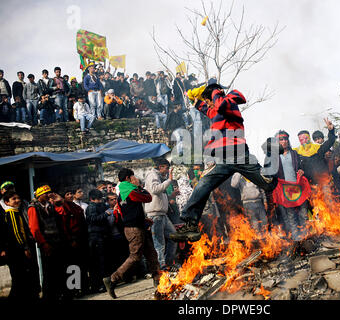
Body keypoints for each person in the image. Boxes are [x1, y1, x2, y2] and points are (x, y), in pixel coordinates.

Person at [169, 83, 278, 242]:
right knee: (202, 186)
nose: (209, 104)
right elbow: (207, 110)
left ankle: (272, 153)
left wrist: (213, 90)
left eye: (209, 100)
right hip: (222, 158)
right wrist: (193, 98)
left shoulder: (229, 102)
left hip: (238, 152)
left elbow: (221, 104)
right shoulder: (217, 110)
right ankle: (191, 224)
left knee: (268, 183)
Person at [103, 168, 161, 299]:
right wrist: (140, 186)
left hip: (136, 226)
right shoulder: (132, 191)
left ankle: (158, 280)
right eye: (133, 177)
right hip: (134, 229)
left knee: (152, 254)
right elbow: (148, 197)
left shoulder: (122, 192)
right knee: (135, 256)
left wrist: (143, 219)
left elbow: (125, 212)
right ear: (129, 178)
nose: (135, 179)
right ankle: (112, 279)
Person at [27, 185, 70, 300]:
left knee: (60, 269)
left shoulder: (50, 206)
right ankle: (49, 296)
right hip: (46, 242)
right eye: (46, 193)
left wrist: (59, 202)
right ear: (40, 195)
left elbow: (61, 217)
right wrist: (43, 243)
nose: (48, 195)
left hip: (57, 241)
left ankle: (61, 293)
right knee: (49, 271)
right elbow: (34, 229)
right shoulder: (33, 208)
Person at [0, 191, 41, 299]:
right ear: (6, 202)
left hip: (16, 250)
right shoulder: (12, 213)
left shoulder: (15, 212)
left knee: (21, 278)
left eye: (18, 198)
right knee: (19, 278)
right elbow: (17, 233)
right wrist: (25, 248)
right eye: (13, 199)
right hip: (16, 251)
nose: (17, 200)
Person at [144, 159, 177, 269]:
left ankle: (168, 262)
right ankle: (161, 267)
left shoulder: (159, 177)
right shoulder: (152, 175)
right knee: (159, 243)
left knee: (174, 237)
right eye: (167, 168)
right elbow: (154, 190)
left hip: (162, 214)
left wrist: (172, 195)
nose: (167, 171)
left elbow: (160, 195)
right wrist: (169, 180)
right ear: (161, 167)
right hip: (155, 215)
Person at [61, 190, 89, 296]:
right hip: (71, 240)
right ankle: (74, 289)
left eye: (71, 194)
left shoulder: (77, 207)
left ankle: (84, 287)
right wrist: (70, 240)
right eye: (67, 194)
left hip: (81, 238)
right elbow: (64, 226)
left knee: (82, 264)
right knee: (73, 266)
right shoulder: (64, 208)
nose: (70, 196)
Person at [85, 189, 110, 293]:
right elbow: (92, 219)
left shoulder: (99, 205)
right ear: (92, 199)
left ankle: (102, 284)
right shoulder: (91, 207)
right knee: (97, 262)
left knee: (102, 261)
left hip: (101, 235)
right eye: (98, 199)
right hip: (95, 237)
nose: (100, 201)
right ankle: (99, 285)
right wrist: (106, 214)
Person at [105, 192, 129, 275]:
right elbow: (110, 224)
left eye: (115, 199)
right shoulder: (108, 212)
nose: (114, 201)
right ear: (108, 201)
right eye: (112, 200)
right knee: (119, 258)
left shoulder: (122, 207)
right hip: (115, 236)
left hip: (124, 234)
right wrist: (114, 213)